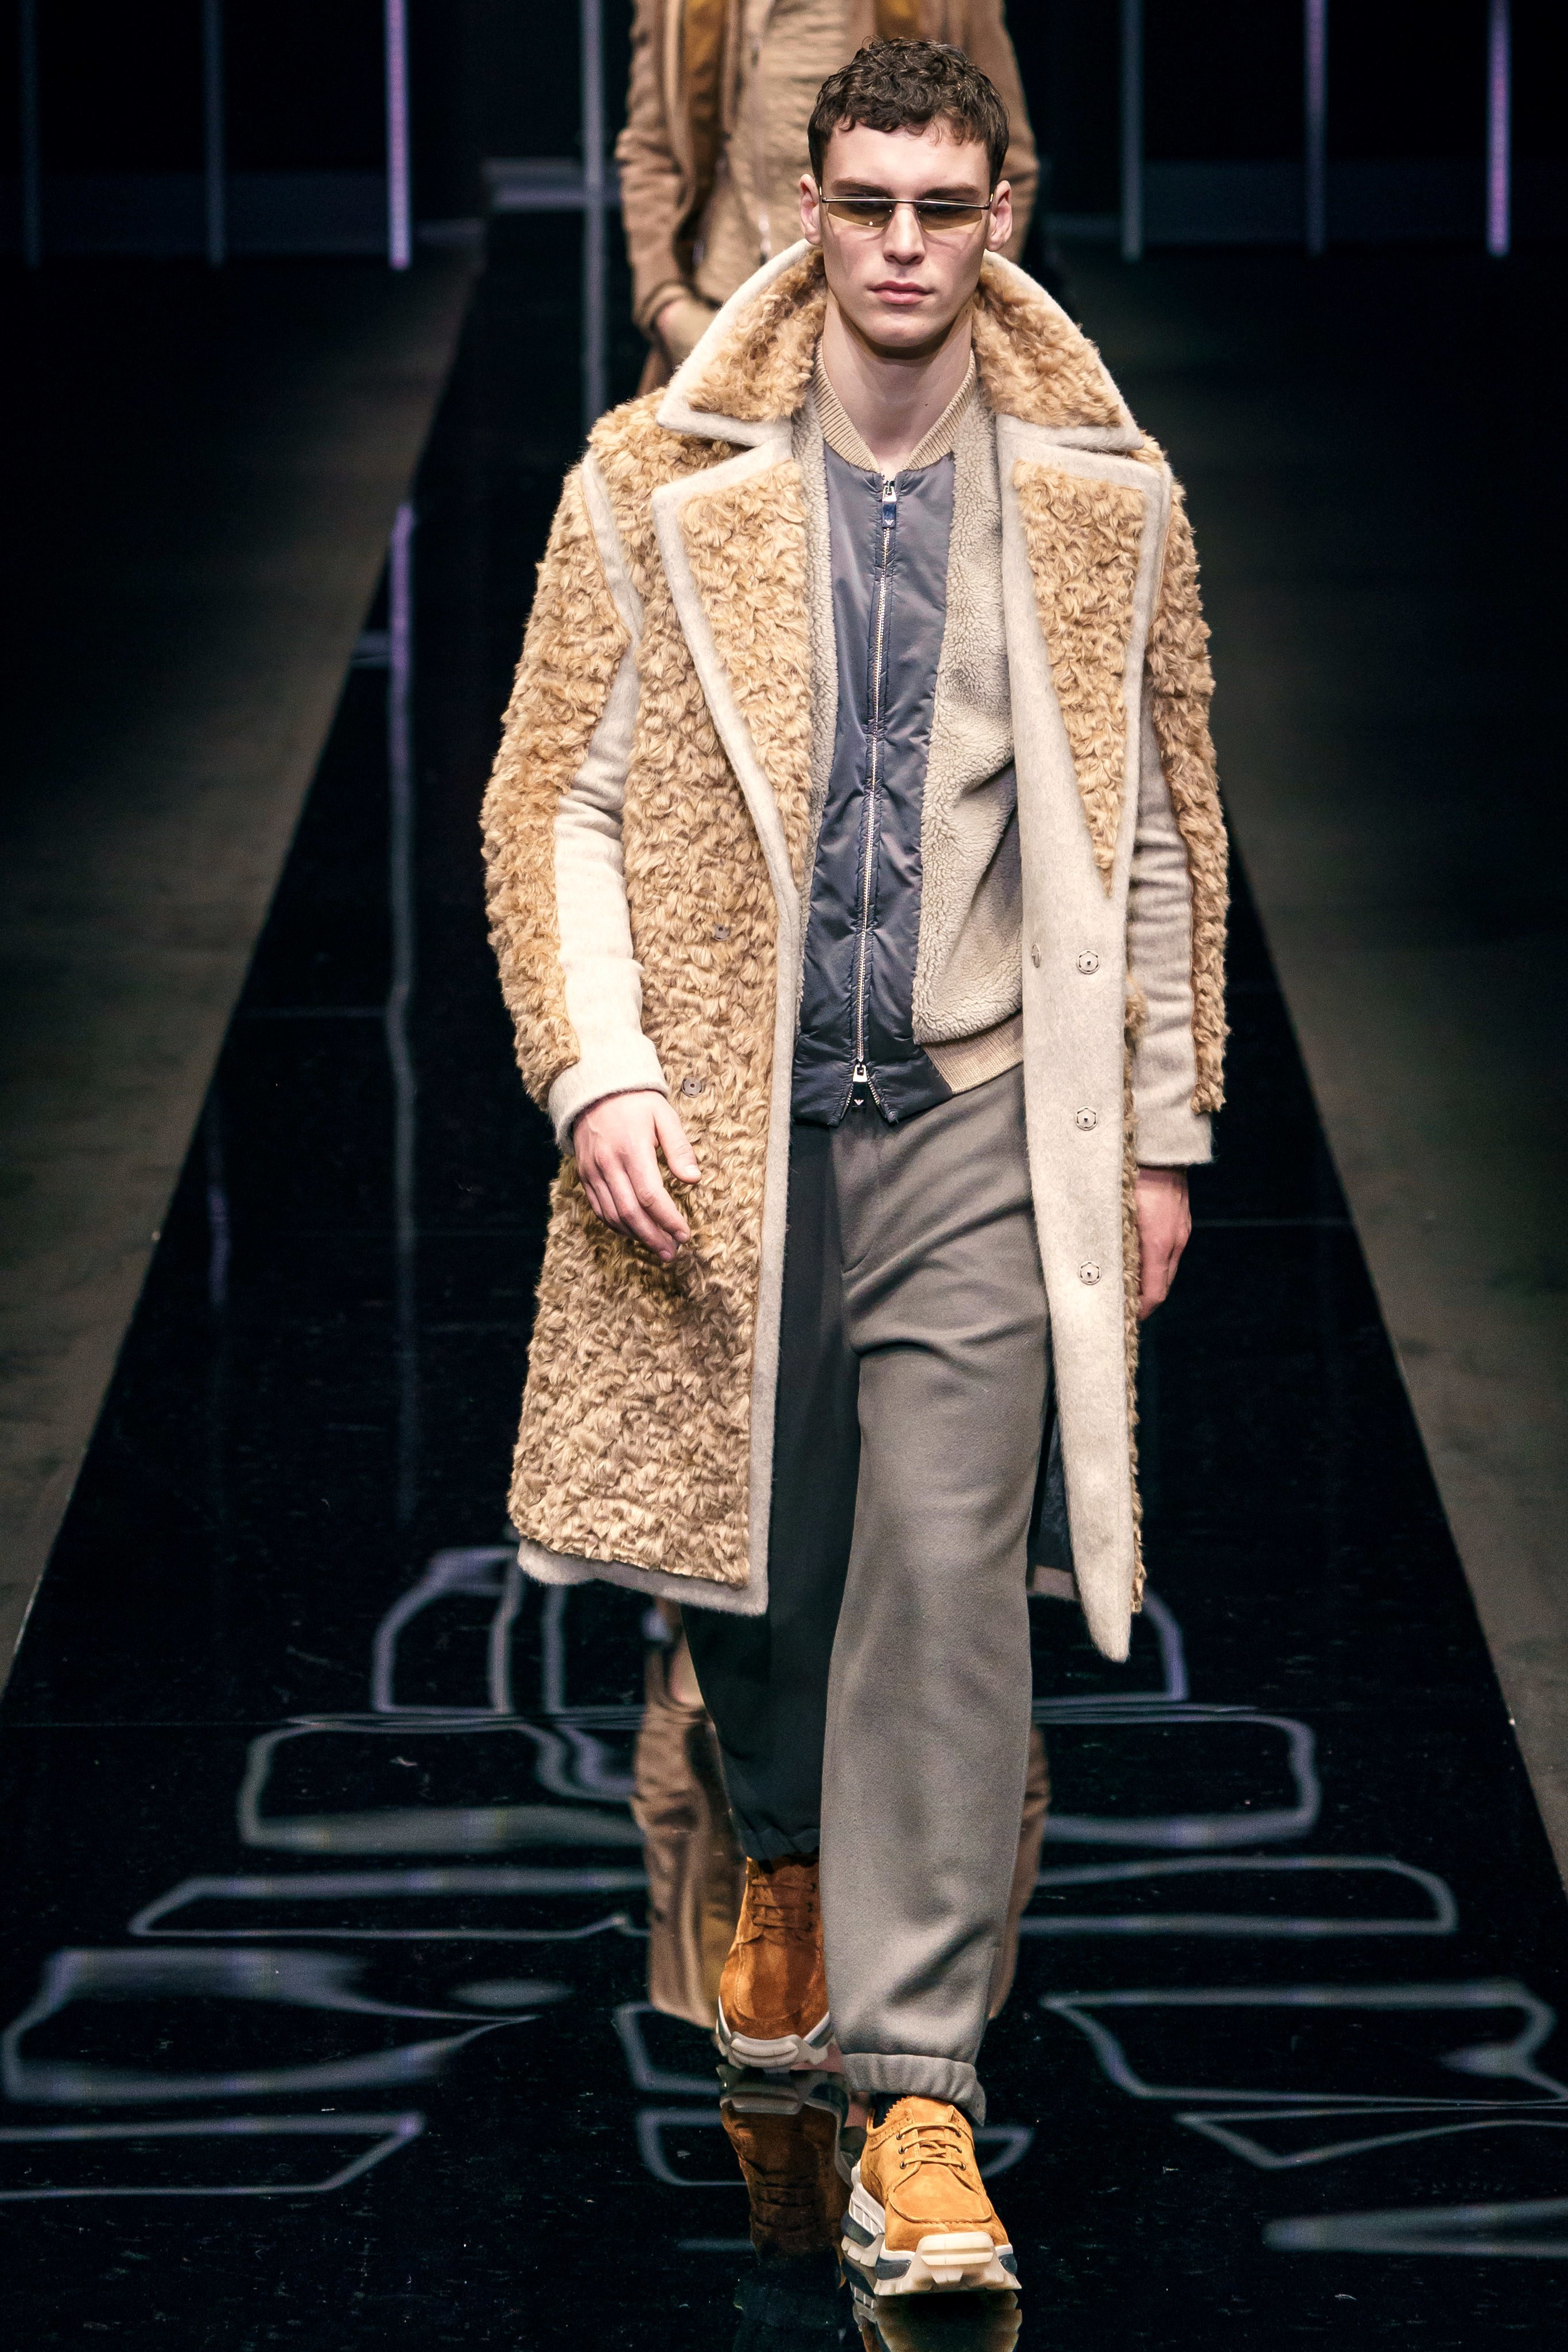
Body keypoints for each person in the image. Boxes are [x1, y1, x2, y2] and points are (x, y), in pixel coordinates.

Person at [482, 37, 1227, 2300]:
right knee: (764, 1571)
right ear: (807, 210)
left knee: (946, 1581)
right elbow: (552, 801)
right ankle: (789, 1858)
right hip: (734, 1126)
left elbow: (1164, 832)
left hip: (982, 1118)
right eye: (867, 203)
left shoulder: (1102, 501)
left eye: (942, 206)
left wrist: (1162, 1127)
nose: (903, 246)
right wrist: (599, 1069)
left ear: (999, 214)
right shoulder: (652, 481)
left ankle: (918, 2100)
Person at [619, 0, 1038, 383]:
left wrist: (956, 307)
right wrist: (668, 307)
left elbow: (1003, 158)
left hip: (888, 335)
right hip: (723, 309)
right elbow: (653, 150)